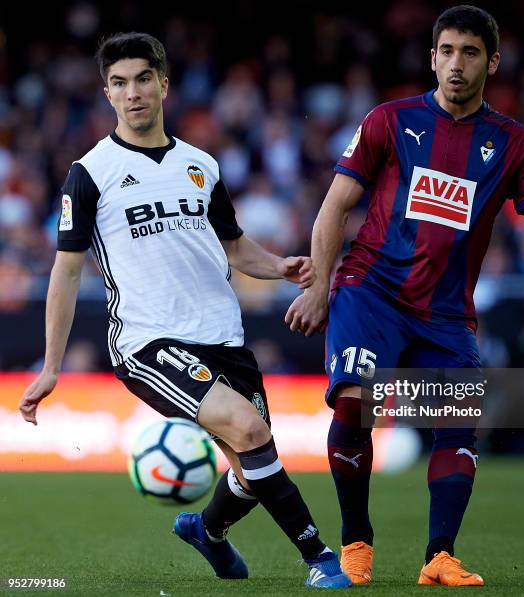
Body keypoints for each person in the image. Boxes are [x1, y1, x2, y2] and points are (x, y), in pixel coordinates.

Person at [19, 32, 351, 589]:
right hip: (148, 341)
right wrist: (52, 366)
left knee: (252, 468)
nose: (133, 94)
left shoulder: (201, 165)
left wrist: (281, 266)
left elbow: (235, 246)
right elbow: (66, 271)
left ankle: (208, 531)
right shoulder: (90, 172)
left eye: (143, 79)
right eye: (120, 84)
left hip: (223, 333)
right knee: (249, 430)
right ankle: (320, 559)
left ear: (163, 85)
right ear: (106, 93)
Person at [286, 5, 524, 587]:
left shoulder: (514, 143)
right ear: (432, 57)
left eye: (470, 52)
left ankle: (439, 556)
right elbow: (335, 206)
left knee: (456, 424)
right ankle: (355, 546)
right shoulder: (389, 120)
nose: (456, 64)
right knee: (354, 402)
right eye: (446, 51)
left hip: (447, 312)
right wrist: (319, 288)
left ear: (492, 62)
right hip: (370, 289)